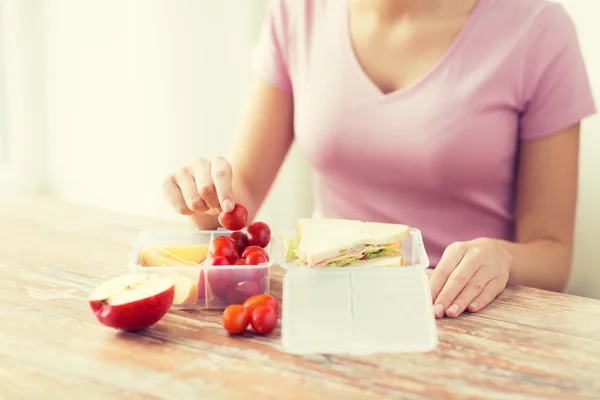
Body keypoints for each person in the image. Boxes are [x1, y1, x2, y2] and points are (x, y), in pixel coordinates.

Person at [162, 0, 597, 318]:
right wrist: (205, 195)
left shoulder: (539, 27)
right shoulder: (299, 11)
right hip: (328, 304)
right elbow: (242, 200)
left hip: (463, 311)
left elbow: (553, 254)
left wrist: (502, 257)